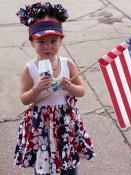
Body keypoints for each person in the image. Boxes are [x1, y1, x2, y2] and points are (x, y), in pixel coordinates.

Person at [14, 2, 95, 175]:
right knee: (43, 166)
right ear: (31, 42)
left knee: (69, 165)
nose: (47, 46)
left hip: (65, 122)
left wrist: (70, 86)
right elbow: (24, 99)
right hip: (41, 124)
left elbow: (81, 91)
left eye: (53, 41)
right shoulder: (29, 69)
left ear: (61, 41)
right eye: (41, 41)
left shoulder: (68, 64)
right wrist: (36, 89)